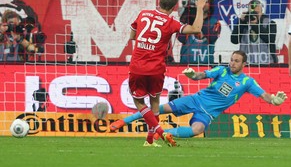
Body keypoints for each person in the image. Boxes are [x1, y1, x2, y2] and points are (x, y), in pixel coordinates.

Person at [110, 50, 287, 139]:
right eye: (232, 60)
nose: (232, 63)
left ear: (244, 64)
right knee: (159, 108)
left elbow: (265, 96)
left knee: (198, 130)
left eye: (237, 61)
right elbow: (202, 75)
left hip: (207, 113)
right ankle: (123, 121)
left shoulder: (248, 82)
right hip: (195, 100)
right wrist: (192, 75)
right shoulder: (222, 70)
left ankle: (161, 134)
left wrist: (275, 100)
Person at [128, 0, 206, 147]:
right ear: (174, 7)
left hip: (138, 66)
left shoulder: (143, 14)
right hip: (157, 69)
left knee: (139, 102)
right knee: (155, 102)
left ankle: (160, 132)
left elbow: (132, 36)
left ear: (159, 1)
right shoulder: (171, 23)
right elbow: (196, 29)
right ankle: (150, 141)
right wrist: (199, 7)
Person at [178, 0, 221, 64]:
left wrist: (199, 14)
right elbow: (180, 38)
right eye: (200, 1)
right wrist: (187, 12)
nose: (203, 3)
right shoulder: (190, 19)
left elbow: (212, 38)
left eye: (206, 2)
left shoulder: (215, 22)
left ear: (211, 5)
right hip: (185, 64)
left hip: (206, 66)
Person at [231, 0, 277, 64]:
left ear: (262, 11)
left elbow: (270, 39)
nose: (255, 15)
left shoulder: (270, 23)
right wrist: (240, 22)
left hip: (266, 62)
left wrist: (255, 25)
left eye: (257, 13)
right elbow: (234, 40)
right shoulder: (243, 23)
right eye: (253, 12)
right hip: (246, 63)